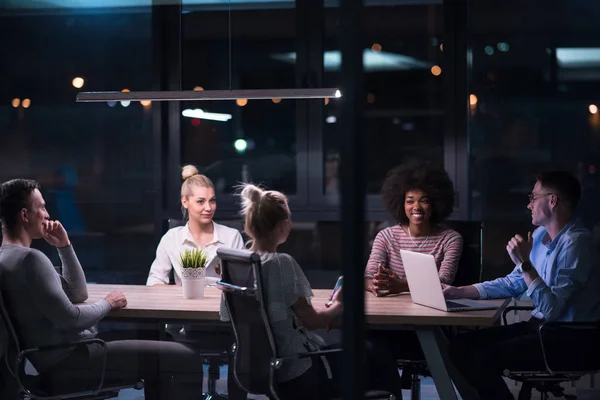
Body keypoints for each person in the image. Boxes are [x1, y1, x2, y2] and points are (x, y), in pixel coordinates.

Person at [0, 179, 203, 400]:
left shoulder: (10, 256)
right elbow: (72, 318)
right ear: (24, 215)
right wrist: (109, 303)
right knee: (187, 358)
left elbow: (78, 294)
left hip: (68, 355)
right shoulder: (30, 260)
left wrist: (64, 246)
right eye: (41, 207)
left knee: (162, 338)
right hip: (71, 363)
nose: (47, 214)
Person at [221, 183, 403, 400]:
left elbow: (232, 316)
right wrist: (339, 303)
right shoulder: (281, 263)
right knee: (378, 353)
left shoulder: (239, 264)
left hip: (261, 369)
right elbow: (313, 322)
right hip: (300, 370)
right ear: (283, 225)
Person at [444, 171, 600, 400]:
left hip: (572, 338)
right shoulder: (538, 236)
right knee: (458, 346)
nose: (529, 205)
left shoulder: (577, 243)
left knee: (481, 358)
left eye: (533, 197)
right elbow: (512, 283)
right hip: (541, 328)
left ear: (553, 200)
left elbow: (552, 311)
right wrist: (459, 291)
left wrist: (526, 264)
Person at [364, 160, 463, 296]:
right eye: (410, 201)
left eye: (424, 201)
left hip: (433, 308)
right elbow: (368, 276)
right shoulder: (386, 236)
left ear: (435, 204)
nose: (416, 207)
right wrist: (374, 284)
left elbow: (444, 282)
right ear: (401, 204)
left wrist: (402, 286)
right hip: (394, 306)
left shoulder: (450, 239)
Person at [147, 165, 245, 286]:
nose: (209, 208)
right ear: (185, 202)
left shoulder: (231, 237)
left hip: (221, 303)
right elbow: (154, 282)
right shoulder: (172, 238)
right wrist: (179, 290)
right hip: (184, 303)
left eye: (212, 201)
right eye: (200, 201)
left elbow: (243, 283)